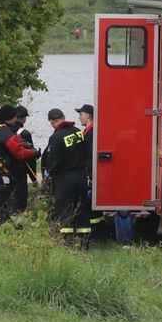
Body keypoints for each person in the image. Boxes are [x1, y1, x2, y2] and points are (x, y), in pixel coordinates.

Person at [43, 108, 90, 246]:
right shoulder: (78, 132)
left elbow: (54, 161)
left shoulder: (56, 137)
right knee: (81, 209)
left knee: (65, 209)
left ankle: (67, 242)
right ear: (64, 117)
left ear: (52, 122)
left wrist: (49, 173)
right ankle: (84, 243)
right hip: (81, 176)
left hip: (65, 178)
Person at [0, 104, 38, 224]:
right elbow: (20, 153)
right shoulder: (4, 132)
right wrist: (33, 152)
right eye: (15, 117)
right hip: (1, 173)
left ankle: (6, 227)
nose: (16, 120)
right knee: (6, 205)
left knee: (3, 204)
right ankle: (9, 229)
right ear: (10, 117)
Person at [76, 104, 107, 238]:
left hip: (90, 173)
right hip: (89, 172)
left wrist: (88, 173)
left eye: (81, 114)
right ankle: (98, 233)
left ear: (88, 115)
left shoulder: (92, 132)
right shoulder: (88, 131)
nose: (79, 117)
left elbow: (90, 155)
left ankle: (96, 234)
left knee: (90, 205)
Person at [13, 106, 40, 213]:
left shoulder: (4, 130)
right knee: (20, 200)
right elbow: (30, 158)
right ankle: (17, 224)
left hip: (4, 171)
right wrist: (33, 178)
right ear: (24, 119)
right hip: (20, 172)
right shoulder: (24, 133)